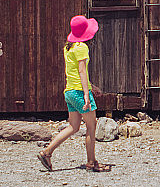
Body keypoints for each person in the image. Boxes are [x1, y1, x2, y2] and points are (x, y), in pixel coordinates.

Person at [37, 15, 111, 172]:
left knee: (74, 126)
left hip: (70, 92)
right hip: (79, 92)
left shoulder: (68, 47)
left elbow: (73, 73)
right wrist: (87, 94)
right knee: (91, 127)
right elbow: (81, 71)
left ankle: (47, 152)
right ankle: (91, 162)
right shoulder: (82, 48)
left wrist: (93, 86)